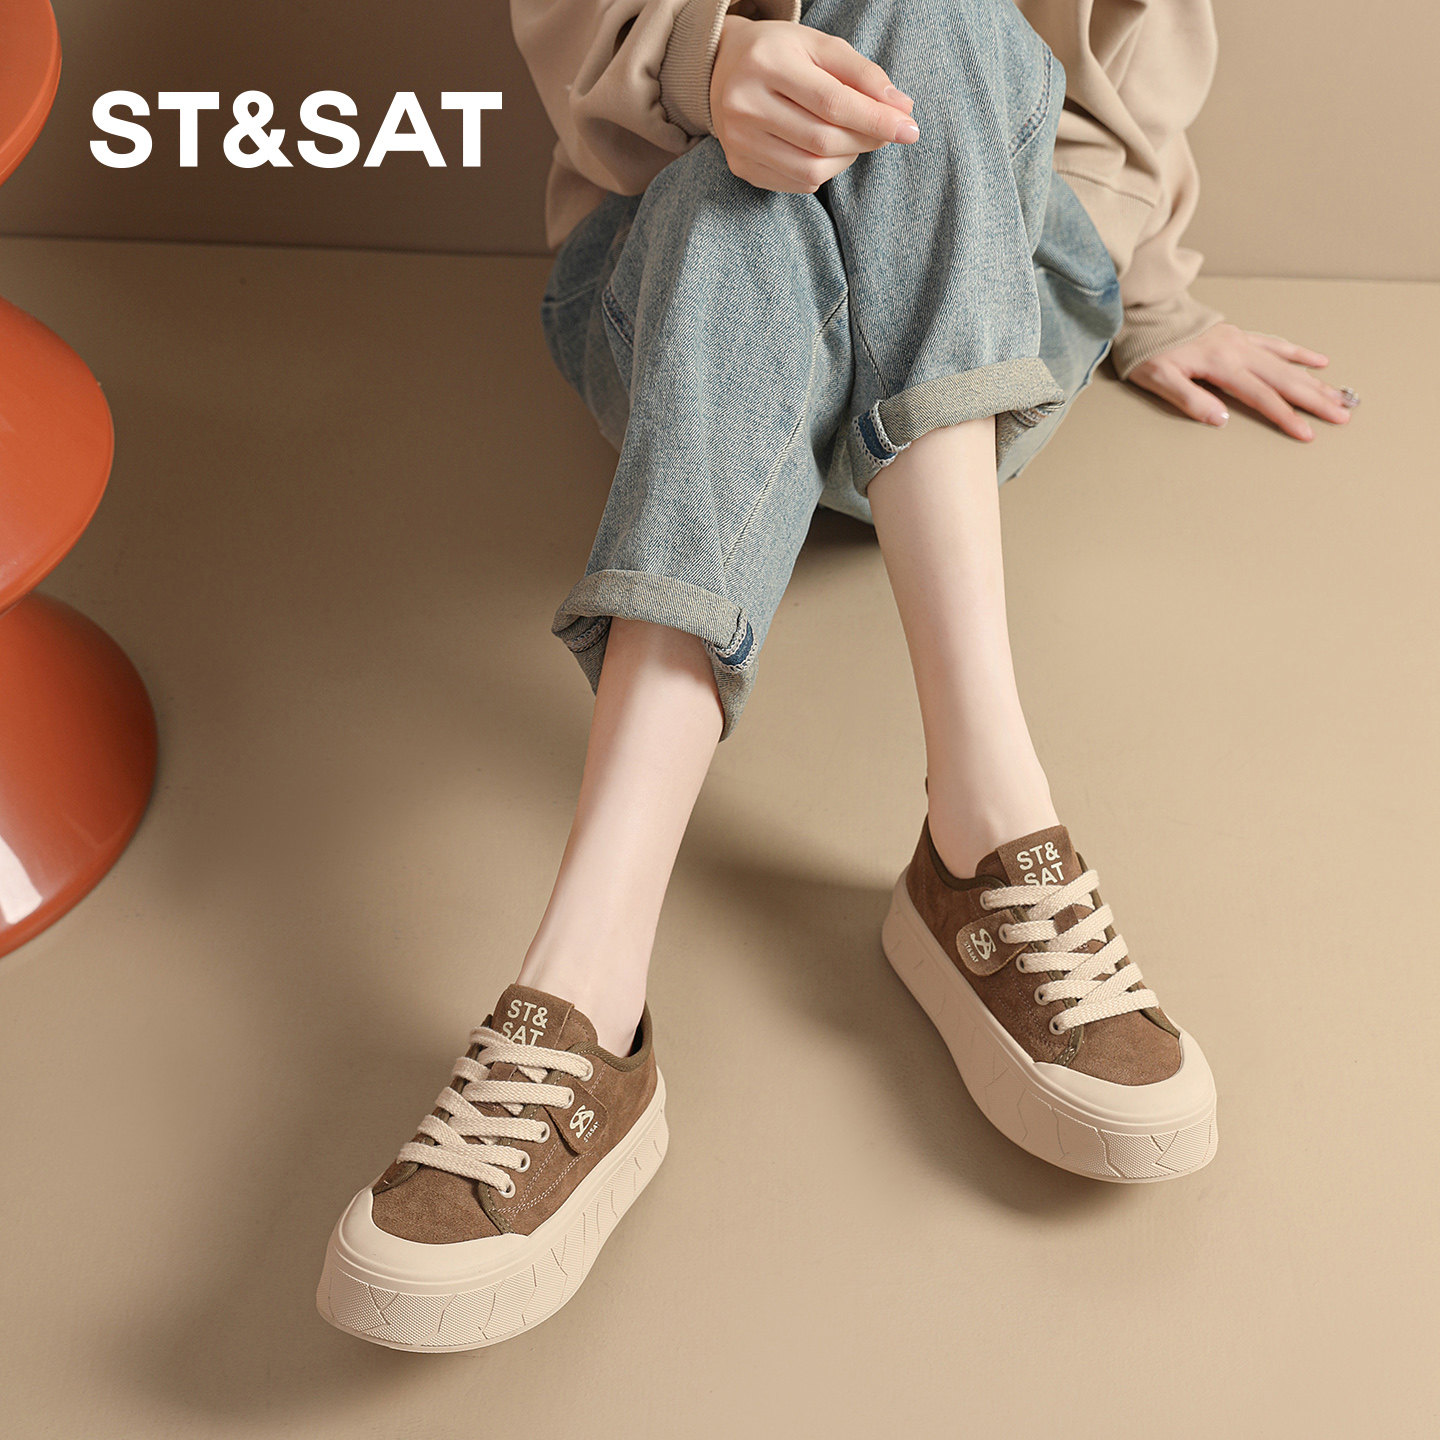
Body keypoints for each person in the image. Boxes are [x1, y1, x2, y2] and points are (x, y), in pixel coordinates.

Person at [316, 0, 1358, 1351]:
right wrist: (704, 61)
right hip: (673, 300)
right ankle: (943, 858)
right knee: (732, 208)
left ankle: (594, 1010)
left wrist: (1148, 298)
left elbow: (1128, 38)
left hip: (992, 305)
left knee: (929, 14)